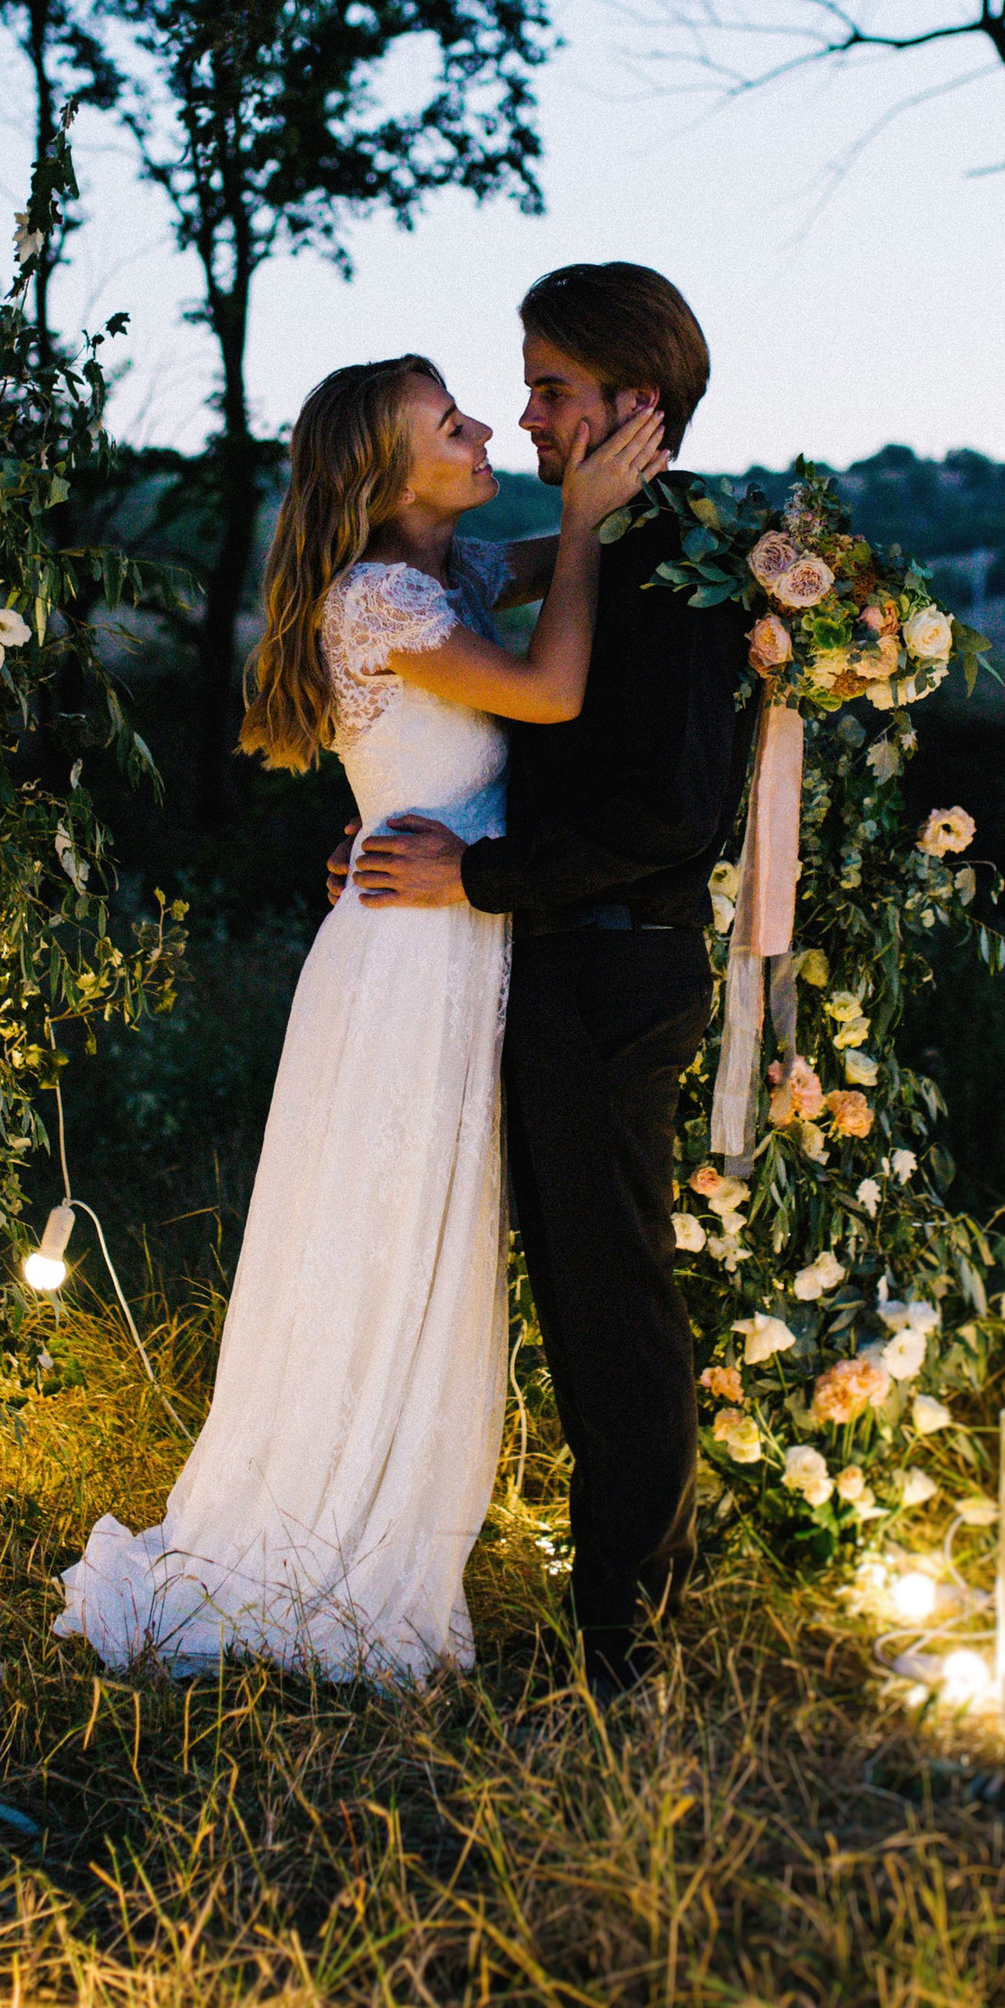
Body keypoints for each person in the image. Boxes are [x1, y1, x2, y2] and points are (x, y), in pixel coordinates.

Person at [54, 351, 665, 1681]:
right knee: (382, 1246)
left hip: (443, 933)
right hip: (410, 958)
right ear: (384, 476)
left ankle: (387, 1503)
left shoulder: (450, 573)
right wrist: (578, 523)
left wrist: (600, 511)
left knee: (419, 1242)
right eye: (449, 421)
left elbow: (544, 588)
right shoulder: (383, 597)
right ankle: (323, 1536)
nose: (484, 424)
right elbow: (552, 693)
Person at [349, 264, 747, 1689]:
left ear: (634, 405)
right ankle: (601, 1614)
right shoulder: (611, 549)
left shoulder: (676, 571)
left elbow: (665, 821)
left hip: (609, 975)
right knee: (577, 1309)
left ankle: (628, 1649)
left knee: (613, 1310)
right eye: (516, 390)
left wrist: (475, 879)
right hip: (553, 974)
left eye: (549, 390)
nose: (522, 417)